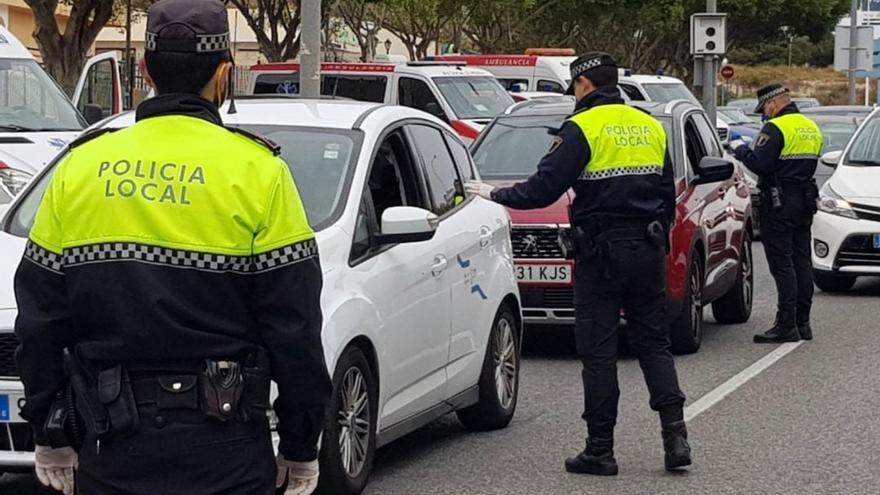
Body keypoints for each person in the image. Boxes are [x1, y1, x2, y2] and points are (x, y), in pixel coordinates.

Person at [14, 1, 330, 494]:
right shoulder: (260, 173)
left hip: (112, 450)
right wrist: (301, 443)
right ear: (224, 74)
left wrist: (49, 429)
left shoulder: (79, 168)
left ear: (145, 70)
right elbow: (296, 328)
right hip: (227, 453)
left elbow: (39, 321)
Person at [466, 53, 690, 475]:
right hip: (646, 250)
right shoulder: (649, 126)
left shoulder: (580, 128)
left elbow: (542, 190)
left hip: (600, 254)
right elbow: (667, 195)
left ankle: (600, 450)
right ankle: (675, 437)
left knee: (599, 352)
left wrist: (493, 195)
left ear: (584, 85)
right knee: (653, 344)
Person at [730, 84, 822, 343]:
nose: (765, 114)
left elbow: (761, 165)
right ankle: (803, 323)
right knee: (802, 262)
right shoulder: (810, 126)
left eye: (765, 109)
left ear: (772, 103)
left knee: (782, 265)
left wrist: (740, 150)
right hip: (805, 200)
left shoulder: (775, 128)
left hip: (780, 202)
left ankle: (786, 325)